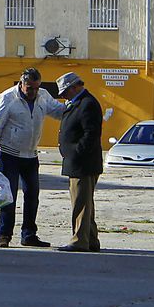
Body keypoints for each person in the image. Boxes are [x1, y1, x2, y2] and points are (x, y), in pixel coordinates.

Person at [0, 68, 67, 247]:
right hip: (9, 154)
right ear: (21, 84)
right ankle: (4, 235)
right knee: (8, 196)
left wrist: (75, 107)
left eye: (36, 88)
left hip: (31, 155)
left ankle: (29, 235)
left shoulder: (43, 96)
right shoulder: (7, 99)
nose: (33, 92)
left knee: (32, 196)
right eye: (30, 88)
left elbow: (59, 111)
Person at [54, 72, 104, 252]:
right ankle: (90, 239)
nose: (63, 95)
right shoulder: (77, 103)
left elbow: (91, 134)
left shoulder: (87, 104)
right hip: (78, 161)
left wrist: (76, 153)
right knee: (85, 202)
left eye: (65, 91)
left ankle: (79, 240)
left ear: (76, 87)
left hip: (83, 163)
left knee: (80, 203)